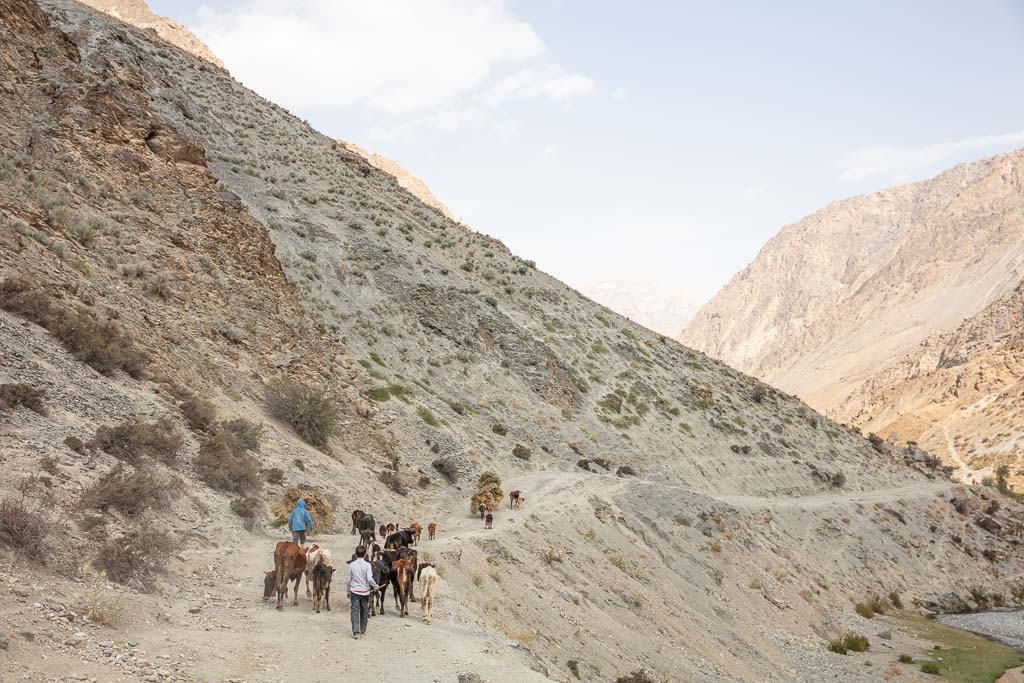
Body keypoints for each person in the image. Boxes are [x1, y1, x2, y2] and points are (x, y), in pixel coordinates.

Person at [347, 545, 379, 639]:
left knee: (354, 611)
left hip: (354, 591)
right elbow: (369, 578)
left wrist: (348, 590)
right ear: (365, 554)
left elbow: (349, 580)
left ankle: (355, 632)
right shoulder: (367, 565)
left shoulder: (352, 565)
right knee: (364, 610)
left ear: (356, 554)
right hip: (365, 592)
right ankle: (363, 629)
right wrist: (376, 586)